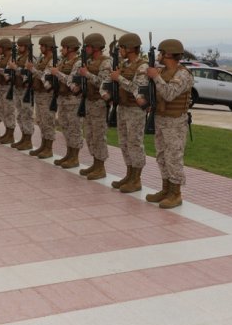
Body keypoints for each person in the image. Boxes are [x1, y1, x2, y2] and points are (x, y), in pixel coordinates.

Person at [145, 39, 194, 208]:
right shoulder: (163, 71)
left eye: (160, 52)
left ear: (169, 54)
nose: (158, 56)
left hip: (175, 122)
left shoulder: (183, 74)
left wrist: (155, 77)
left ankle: (176, 194)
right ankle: (166, 189)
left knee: (173, 158)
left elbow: (169, 94)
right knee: (162, 156)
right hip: (160, 119)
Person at [110, 32, 150, 192]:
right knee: (124, 143)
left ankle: (136, 179)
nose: (120, 50)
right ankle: (129, 174)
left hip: (135, 110)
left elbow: (137, 88)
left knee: (135, 143)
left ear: (131, 48)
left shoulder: (143, 66)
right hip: (123, 108)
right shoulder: (125, 65)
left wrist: (118, 78)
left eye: (122, 47)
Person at [76, 33, 112, 180]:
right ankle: (95, 163)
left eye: (88, 46)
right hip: (88, 102)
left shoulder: (106, 62)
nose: (86, 49)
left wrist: (87, 74)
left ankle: (101, 167)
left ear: (96, 47)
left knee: (98, 135)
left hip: (99, 104)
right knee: (90, 135)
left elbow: (103, 83)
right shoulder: (89, 62)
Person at [50, 36, 83, 169]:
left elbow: (72, 81)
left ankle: (74, 157)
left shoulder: (78, 63)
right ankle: (69, 154)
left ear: (70, 48)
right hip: (62, 99)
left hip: (73, 100)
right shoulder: (63, 62)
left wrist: (57, 73)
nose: (61, 50)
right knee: (65, 127)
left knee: (74, 128)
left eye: (63, 47)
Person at [27, 36, 57, 158]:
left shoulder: (53, 60)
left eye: (42, 45)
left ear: (49, 46)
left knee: (48, 121)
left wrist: (32, 70)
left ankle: (48, 148)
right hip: (39, 93)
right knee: (40, 121)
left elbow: (45, 76)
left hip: (47, 94)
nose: (40, 48)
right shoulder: (42, 59)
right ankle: (43, 145)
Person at [10, 36, 35, 150]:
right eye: (18, 46)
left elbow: (27, 75)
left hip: (26, 90)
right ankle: (24, 137)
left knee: (27, 115)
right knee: (20, 115)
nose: (19, 47)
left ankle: (28, 140)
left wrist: (15, 69)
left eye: (21, 46)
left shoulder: (30, 59)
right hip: (18, 89)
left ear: (27, 47)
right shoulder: (19, 57)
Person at [0, 37, 16, 145]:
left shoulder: (11, 58)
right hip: (0, 87)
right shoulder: (2, 57)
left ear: (5, 48)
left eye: (0, 47)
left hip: (8, 88)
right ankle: (7, 132)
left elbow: (8, 74)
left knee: (9, 111)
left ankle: (11, 134)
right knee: (3, 111)